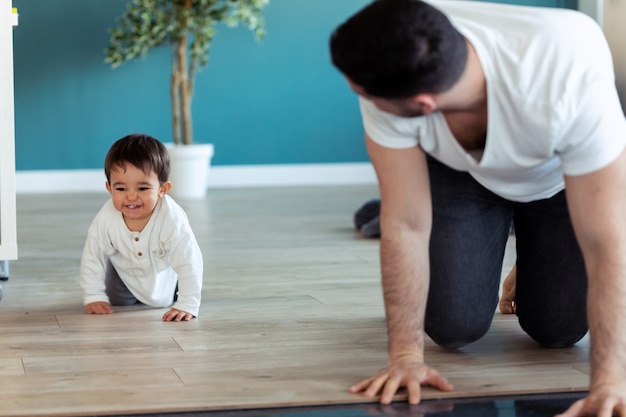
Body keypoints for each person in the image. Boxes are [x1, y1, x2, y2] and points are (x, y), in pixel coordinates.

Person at [329, 0, 626, 416]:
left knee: (558, 330)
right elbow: (407, 225)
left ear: (424, 104)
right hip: (460, 171)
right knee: (453, 329)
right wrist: (405, 356)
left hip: (558, 179)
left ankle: (535, 255)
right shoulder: (392, 57)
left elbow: (607, 241)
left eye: (359, 90)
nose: (354, 91)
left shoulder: (567, 71)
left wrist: (610, 383)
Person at [80, 133, 203, 322]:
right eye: (121, 189)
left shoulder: (171, 219)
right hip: (124, 271)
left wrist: (187, 303)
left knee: (179, 285)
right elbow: (92, 256)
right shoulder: (106, 218)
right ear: (109, 188)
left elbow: (189, 260)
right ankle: (128, 290)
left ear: (163, 189)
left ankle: (183, 289)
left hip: (164, 272)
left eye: (142, 189)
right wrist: (94, 295)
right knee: (117, 300)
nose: (130, 197)